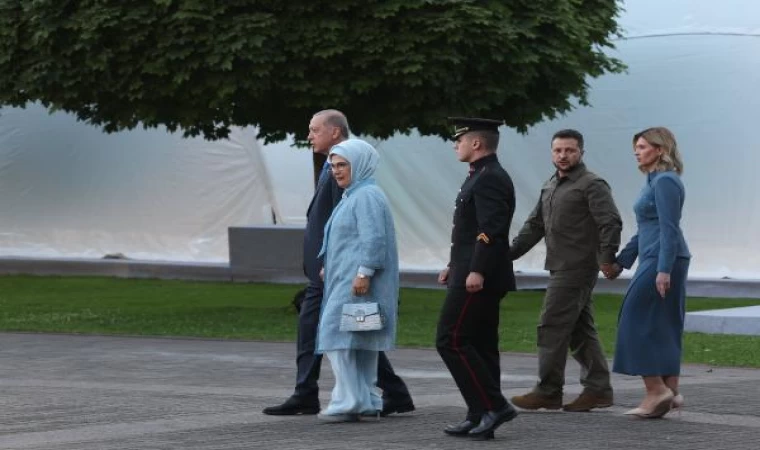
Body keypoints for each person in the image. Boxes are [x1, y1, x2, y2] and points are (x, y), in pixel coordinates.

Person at [262, 110, 413, 416]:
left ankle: (342, 396)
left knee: (339, 332)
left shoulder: (358, 184)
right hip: (333, 270)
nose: (309, 136)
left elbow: (367, 236)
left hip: (339, 273)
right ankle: (372, 395)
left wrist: (358, 271)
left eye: (315, 130)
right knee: (348, 330)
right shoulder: (339, 171)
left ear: (334, 132)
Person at [509, 129, 622, 412]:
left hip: (577, 267)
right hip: (559, 265)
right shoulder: (550, 185)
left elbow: (610, 222)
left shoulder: (592, 184)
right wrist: (506, 255)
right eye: (558, 150)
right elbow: (535, 225)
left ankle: (548, 391)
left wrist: (607, 259)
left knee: (551, 326)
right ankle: (598, 390)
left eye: (569, 150)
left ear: (581, 152)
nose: (563, 155)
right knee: (580, 331)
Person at [436, 117, 518, 440]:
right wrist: (453, 264)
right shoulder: (480, 175)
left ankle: (495, 406)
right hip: (470, 269)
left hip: (480, 275)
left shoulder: (490, 178)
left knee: (451, 339)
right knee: (481, 345)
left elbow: (490, 229)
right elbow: (469, 232)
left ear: (476, 143)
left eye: (459, 140)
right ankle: (480, 413)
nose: (455, 146)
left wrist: (477, 270)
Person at [607, 127, 690, 418]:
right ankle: (671, 390)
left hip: (662, 259)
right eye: (636, 147)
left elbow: (669, 228)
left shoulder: (666, 181)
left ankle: (656, 390)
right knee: (664, 323)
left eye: (642, 146)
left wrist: (663, 269)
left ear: (660, 149)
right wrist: (621, 262)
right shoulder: (654, 180)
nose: (636, 152)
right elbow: (645, 229)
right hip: (658, 256)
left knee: (632, 319)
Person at [315, 138, 400, 422]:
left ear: (360, 165)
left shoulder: (365, 196)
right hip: (347, 278)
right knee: (359, 341)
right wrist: (330, 265)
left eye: (343, 165)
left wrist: (364, 272)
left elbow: (374, 238)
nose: (336, 171)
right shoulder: (356, 194)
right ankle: (366, 399)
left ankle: (348, 401)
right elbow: (349, 239)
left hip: (355, 282)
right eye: (333, 166)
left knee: (336, 337)